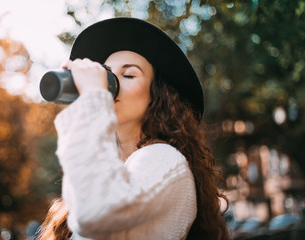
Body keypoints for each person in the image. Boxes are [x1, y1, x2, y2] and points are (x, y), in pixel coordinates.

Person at [38, 17, 229, 240]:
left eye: (128, 75)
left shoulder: (165, 159)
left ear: (159, 96)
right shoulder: (105, 167)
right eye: (107, 74)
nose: (110, 85)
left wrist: (92, 98)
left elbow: (94, 214)